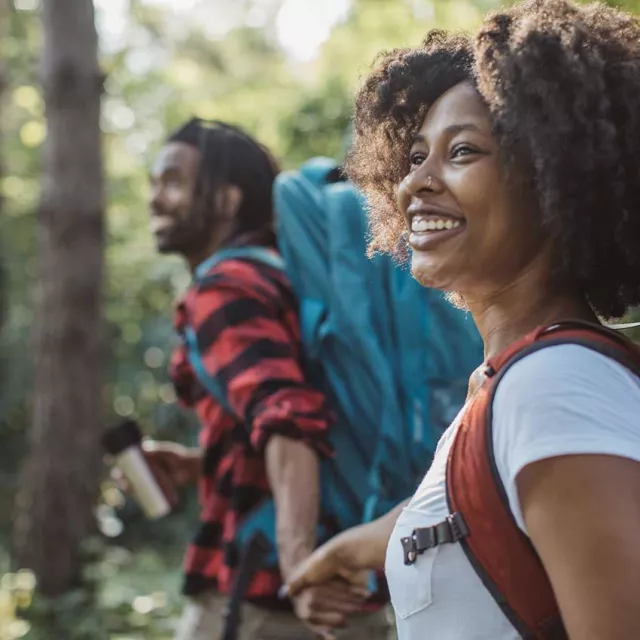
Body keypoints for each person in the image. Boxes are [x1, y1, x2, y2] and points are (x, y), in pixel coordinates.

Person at [281, 1, 640, 639]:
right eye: (415, 155)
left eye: (463, 151)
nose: (415, 182)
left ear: (555, 179)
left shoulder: (553, 387)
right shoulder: (509, 384)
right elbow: (488, 504)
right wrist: (351, 548)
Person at [140, 118, 390, 640]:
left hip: (269, 597)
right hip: (348, 573)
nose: (154, 198)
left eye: (171, 182)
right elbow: (308, 410)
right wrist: (198, 465)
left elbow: (288, 417)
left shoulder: (225, 288)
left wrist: (297, 563)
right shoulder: (284, 274)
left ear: (226, 201)